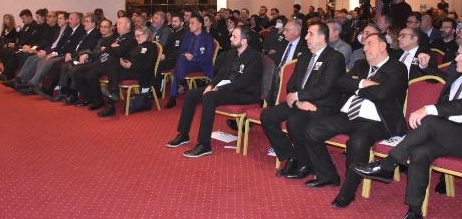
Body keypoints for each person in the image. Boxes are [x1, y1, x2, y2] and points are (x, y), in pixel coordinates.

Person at [351, 37, 462, 219]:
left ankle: (388, 164)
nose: (456, 58)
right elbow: (436, 76)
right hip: (451, 136)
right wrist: (426, 66)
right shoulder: (458, 76)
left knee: (430, 120)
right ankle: (415, 211)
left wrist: (428, 109)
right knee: (420, 152)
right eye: (457, 54)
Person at [299, 33, 408, 209]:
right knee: (312, 130)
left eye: (369, 44)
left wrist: (356, 85)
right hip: (348, 114)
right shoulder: (361, 64)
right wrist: (364, 83)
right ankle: (327, 176)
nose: (364, 48)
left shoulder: (397, 68)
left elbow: (383, 93)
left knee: (357, 142)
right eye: (364, 45)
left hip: (377, 120)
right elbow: (341, 82)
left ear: (383, 46)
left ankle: (348, 192)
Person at [261, 23, 345, 179]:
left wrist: (298, 96)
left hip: (322, 105)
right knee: (267, 116)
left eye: (310, 34)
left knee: (295, 122)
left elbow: (324, 88)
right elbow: (291, 84)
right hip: (300, 102)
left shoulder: (335, 58)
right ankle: (293, 156)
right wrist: (298, 101)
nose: (306, 37)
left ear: (322, 37)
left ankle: (305, 163)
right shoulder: (305, 56)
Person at [166, 26, 263, 158]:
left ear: (244, 41)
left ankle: (204, 144)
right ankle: (183, 134)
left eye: (234, 37)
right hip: (228, 88)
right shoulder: (232, 53)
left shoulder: (254, 57)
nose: (231, 38)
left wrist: (218, 88)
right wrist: (211, 85)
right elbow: (221, 74)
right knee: (192, 94)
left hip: (245, 93)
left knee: (210, 97)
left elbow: (243, 82)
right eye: (232, 36)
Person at [165, 14, 214, 108]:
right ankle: (176, 87)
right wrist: (186, 54)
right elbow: (182, 50)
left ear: (200, 25)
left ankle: (173, 95)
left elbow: (208, 58)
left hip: (201, 65)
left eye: (192, 23)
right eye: (189, 23)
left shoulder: (208, 38)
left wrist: (194, 58)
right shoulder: (188, 36)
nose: (189, 25)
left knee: (178, 68)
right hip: (188, 63)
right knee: (181, 59)